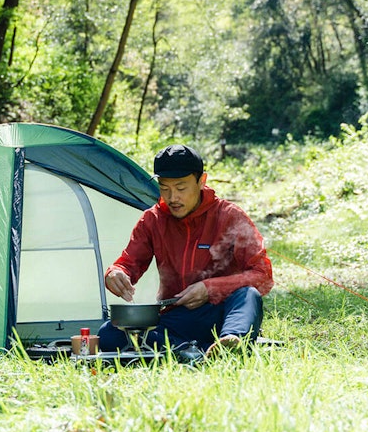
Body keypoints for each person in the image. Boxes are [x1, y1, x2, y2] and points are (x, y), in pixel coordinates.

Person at [98, 144, 273, 358]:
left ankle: (230, 342)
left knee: (248, 295)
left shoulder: (229, 216)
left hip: (221, 312)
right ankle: (193, 350)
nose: (172, 198)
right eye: (164, 188)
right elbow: (128, 264)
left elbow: (263, 276)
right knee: (108, 334)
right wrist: (115, 274)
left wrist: (210, 288)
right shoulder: (152, 219)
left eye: (181, 188)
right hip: (176, 318)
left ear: (202, 181)